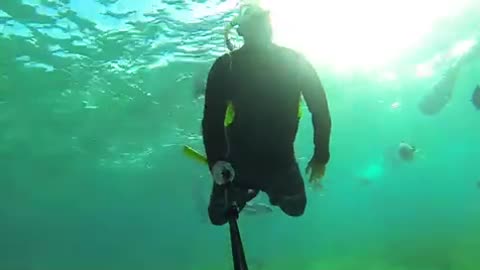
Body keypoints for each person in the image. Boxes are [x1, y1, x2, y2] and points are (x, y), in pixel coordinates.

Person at [201, 3, 332, 226]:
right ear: (242, 31)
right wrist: (216, 161)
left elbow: (212, 119)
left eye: (262, 22)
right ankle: (255, 190)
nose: (262, 27)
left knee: (296, 208)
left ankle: (251, 190)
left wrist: (321, 156)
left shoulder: (227, 65)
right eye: (257, 23)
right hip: (244, 161)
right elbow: (320, 111)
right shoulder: (229, 65)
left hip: (269, 160)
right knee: (219, 217)